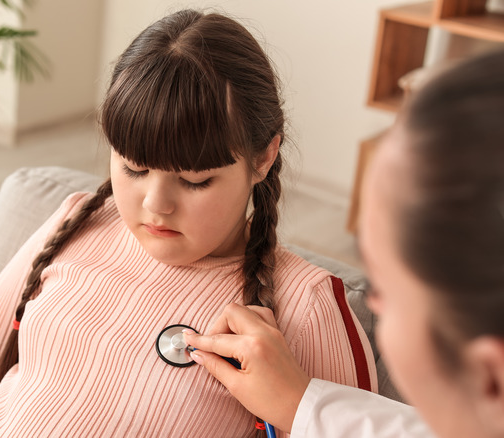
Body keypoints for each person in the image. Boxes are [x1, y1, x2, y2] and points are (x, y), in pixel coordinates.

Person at [0, 9, 376, 437]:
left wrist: (292, 406)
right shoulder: (78, 221)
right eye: (133, 167)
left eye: (194, 180)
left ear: (263, 157)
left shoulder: (305, 307)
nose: (155, 204)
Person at [184, 48, 504, 437]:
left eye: (383, 289)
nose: (369, 301)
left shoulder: (312, 304)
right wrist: (300, 405)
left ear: (490, 378)